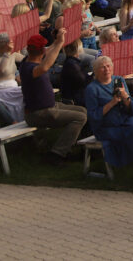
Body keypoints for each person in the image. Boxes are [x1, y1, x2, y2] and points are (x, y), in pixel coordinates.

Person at [84, 55, 133, 187]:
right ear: (96, 71)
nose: (106, 69)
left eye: (108, 66)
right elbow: (94, 116)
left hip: (125, 118)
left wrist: (125, 97)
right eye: (102, 67)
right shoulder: (92, 89)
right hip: (106, 126)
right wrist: (111, 103)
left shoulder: (119, 80)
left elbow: (131, 107)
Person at [19, 33, 88, 165]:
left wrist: (57, 42)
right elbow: (45, 66)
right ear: (41, 51)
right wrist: (60, 44)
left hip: (49, 106)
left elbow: (49, 49)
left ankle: (72, 146)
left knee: (82, 111)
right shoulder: (29, 67)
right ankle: (57, 153)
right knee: (80, 117)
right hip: (38, 113)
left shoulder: (25, 61)